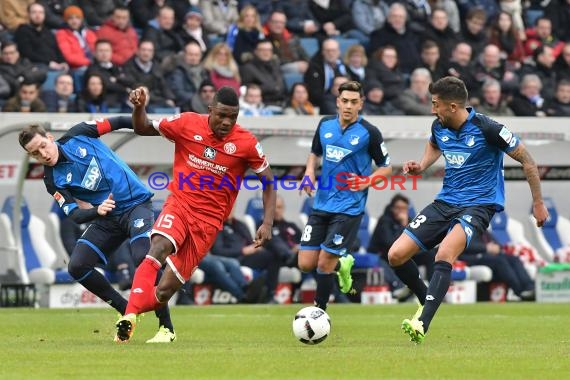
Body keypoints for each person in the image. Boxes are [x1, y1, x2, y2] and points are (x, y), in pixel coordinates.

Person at [388, 76, 549, 344]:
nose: (432, 109)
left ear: (453, 106)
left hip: (479, 205)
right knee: (395, 255)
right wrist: (423, 164)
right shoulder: (439, 124)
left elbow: (527, 161)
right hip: (445, 202)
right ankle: (423, 299)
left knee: (445, 253)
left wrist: (539, 203)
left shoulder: (488, 128)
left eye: (435, 104)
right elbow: (434, 144)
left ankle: (422, 322)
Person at [115, 85, 276, 342]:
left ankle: (150, 321)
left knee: (165, 291)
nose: (226, 122)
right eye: (221, 115)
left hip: (209, 223)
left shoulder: (246, 143)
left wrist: (267, 222)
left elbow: (268, 182)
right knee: (158, 246)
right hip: (180, 205)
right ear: (210, 109)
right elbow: (142, 127)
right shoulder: (187, 123)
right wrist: (139, 108)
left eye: (232, 117)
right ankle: (129, 317)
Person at [17, 116, 176, 344]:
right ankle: (126, 310)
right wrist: (97, 210)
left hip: (135, 205)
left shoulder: (80, 133)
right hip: (107, 217)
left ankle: (166, 328)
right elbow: (73, 213)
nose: (42, 154)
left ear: (50, 138)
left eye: (42, 146)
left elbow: (121, 120)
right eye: (35, 153)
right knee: (77, 266)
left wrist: (158, 128)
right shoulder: (52, 179)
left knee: (143, 257)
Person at [298, 80, 392, 311]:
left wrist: (366, 181)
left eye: (354, 102)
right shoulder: (325, 124)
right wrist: (309, 172)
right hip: (321, 203)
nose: (348, 106)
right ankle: (343, 263)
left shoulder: (370, 132)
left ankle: (319, 312)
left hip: (349, 208)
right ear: (338, 102)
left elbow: (387, 167)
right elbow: (314, 153)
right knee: (305, 264)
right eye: (344, 101)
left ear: (361, 104)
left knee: (323, 263)